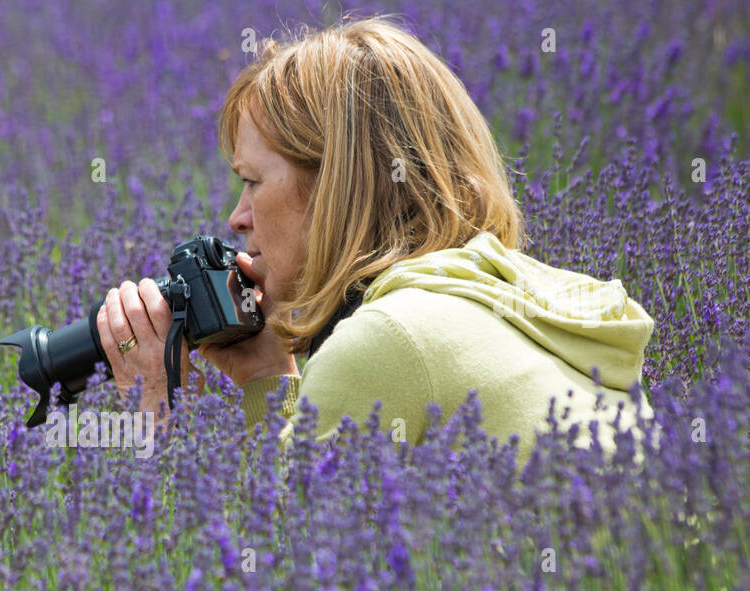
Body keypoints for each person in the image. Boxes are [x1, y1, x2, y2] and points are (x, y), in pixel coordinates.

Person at [95, 16, 654, 469]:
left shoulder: (388, 339)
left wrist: (152, 413)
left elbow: (278, 580)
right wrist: (266, 376)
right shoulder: (520, 306)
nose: (237, 217)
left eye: (253, 180)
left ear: (334, 185)